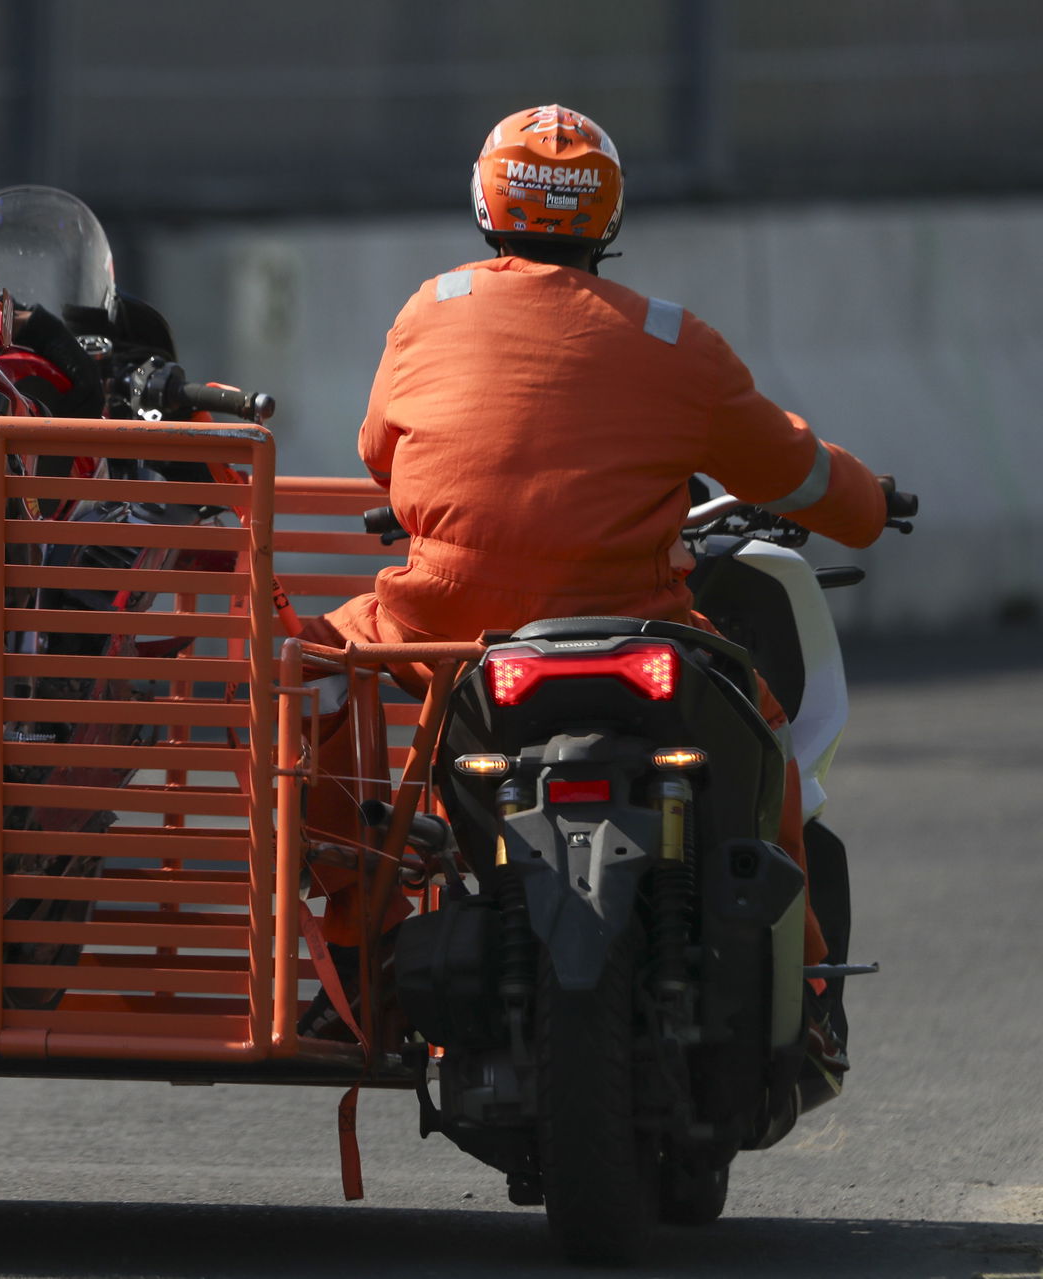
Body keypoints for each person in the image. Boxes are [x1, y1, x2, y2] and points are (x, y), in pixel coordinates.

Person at [301, 105, 890, 1071]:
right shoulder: (674, 342)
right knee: (767, 738)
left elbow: (382, 457)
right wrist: (872, 505)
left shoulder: (428, 310)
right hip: (636, 628)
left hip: (445, 631)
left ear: (487, 202)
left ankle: (357, 952)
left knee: (316, 671)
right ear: (604, 220)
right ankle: (812, 993)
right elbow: (799, 471)